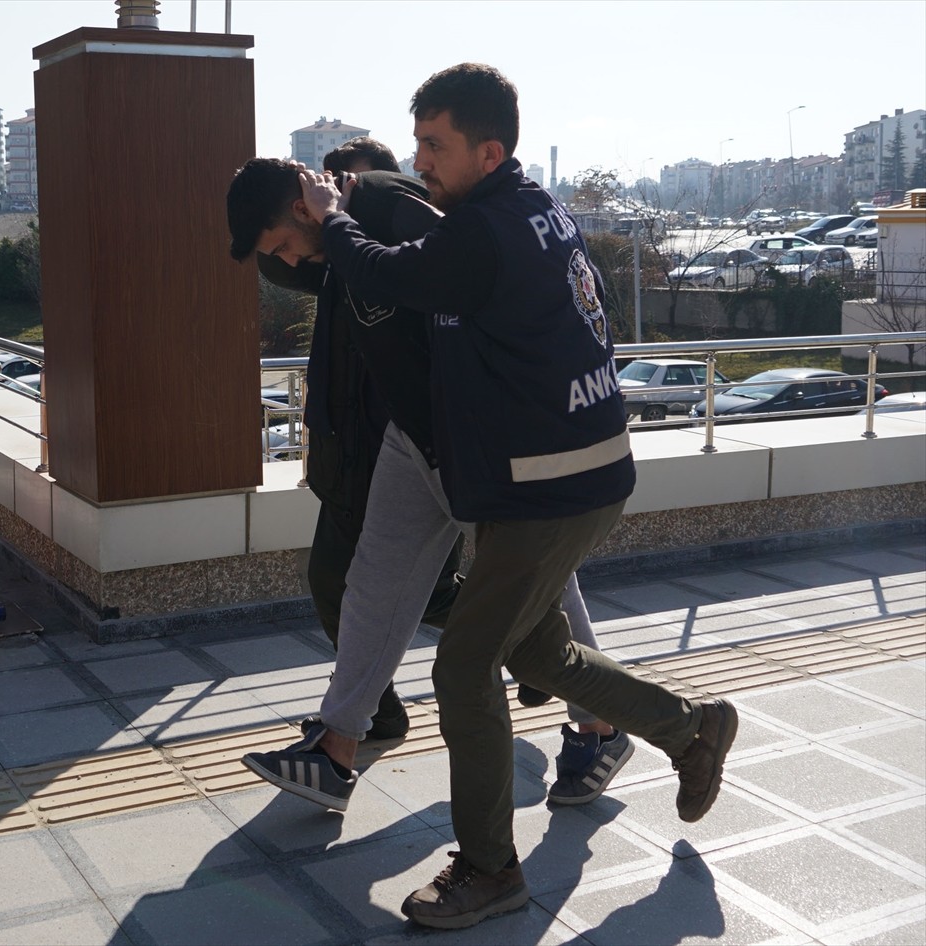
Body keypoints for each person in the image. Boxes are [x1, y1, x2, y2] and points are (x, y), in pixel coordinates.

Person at [274, 63, 738, 931]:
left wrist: (332, 219)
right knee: (537, 655)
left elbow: (386, 274)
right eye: (415, 144)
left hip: (550, 486)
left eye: (435, 146)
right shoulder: (530, 209)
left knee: (464, 667)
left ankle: (491, 870)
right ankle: (689, 727)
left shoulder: (482, 233)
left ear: (490, 150)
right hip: (575, 472)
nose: (422, 163)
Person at [231, 151, 635, 809]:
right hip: (413, 431)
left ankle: (610, 726)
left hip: (470, 432)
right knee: (375, 582)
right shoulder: (333, 237)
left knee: (544, 586)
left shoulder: (395, 211)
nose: (293, 262)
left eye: (285, 242)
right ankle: (335, 749)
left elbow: (471, 292)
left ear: (306, 208)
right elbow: (318, 269)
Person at [244, 145, 463, 741]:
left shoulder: (392, 235)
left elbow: (463, 285)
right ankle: (371, 712)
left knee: (433, 594)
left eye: (347, 188)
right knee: (340, 585)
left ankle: (553, 662)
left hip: (414, 450)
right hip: (350, 454)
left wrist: (333, 219)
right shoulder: (337, 255)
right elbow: (282, 263)